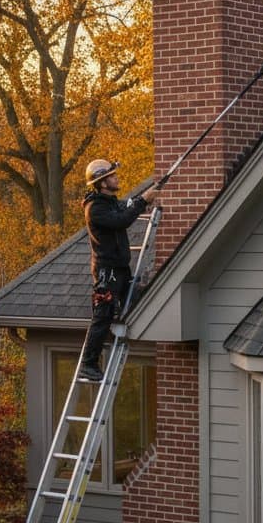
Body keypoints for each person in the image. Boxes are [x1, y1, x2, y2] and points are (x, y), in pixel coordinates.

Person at [81, 159, 161, 381]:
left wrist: (144, 200)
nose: (117, 178)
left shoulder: (109, 202)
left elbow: (126, 206)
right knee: (103, 316)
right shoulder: (95, 208)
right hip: (107, 272)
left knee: (136, 299)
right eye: (112, 176)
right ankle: (88, 364)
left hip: (120, 269)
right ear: (102, 183)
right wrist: (143, 201)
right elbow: (121, 220)